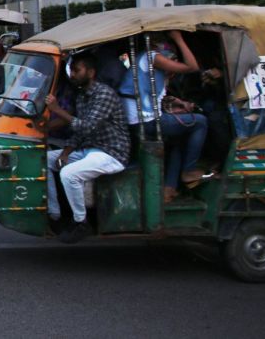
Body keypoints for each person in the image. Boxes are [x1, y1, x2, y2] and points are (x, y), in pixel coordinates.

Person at [45, 51, 131, 244]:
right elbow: (79, 133)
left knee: (68, 174)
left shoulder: (103, 94)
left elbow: (87, 126)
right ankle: (55, 214)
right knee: (44, 160)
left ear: (91, 72)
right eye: (72, 70)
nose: (72, 75)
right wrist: (66, 152)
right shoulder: (82, 95)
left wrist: (57, 110)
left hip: (111, 153)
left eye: (77, 70)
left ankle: (81, 222)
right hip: (88, 150)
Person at [118, 30, 207, 202]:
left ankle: (169, 189)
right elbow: (192, 66)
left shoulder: (144, 61)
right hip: (146, 121)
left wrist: (175, 104)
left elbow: (152, 97)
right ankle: (189, 171)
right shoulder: (152, 56)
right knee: (201, 122)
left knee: (177, 141)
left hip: (140, 119)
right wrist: (179, 38)